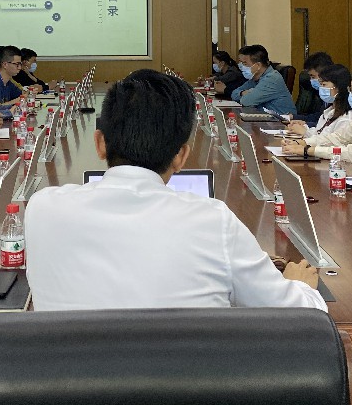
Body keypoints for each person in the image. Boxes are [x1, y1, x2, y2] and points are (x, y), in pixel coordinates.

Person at [25, 69, 327, 311]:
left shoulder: (42, 210)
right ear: (181, 156)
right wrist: (300, 285)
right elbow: (299, 314)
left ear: (100, 143)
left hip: (70, 373)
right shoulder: (213, 222)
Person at [286, 63, 352, 141]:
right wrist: (304, 128)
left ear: (338, 87)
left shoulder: (346, 118)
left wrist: (305, 132)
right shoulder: (329, 111)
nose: (321, 88)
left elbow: (330, 143)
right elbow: (319, 132)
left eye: (324, 85)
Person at [229, 44, 296, 115]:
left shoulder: (272, 79)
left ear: (258, 65)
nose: (241, 67)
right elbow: (234, 94)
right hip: (265, 117)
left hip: (283, 119)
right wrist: (242, 93)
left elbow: (246, 101)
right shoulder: (255, 78)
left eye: (245, 63)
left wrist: (247, 95)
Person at [294, 51, 334, 121]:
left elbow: (327, 123)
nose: (311, 80)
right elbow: (319, 117)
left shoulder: (335, 95)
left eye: (313, 77)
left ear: (324, 73)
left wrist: (306, 125)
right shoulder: (322, 93)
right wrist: (294, 117)